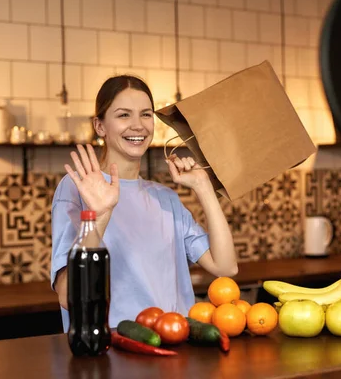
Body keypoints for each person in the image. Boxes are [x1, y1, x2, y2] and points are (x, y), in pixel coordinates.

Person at [50, 75, 238, 332]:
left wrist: (203, 187)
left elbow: (225, 266)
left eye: (146, 114)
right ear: (100, 126)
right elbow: (67, 296)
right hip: (113, 352)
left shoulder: (165, 199)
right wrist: (100, 217)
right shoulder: (76, 189)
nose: (138, 126)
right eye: (123, 115)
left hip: (174, 348)